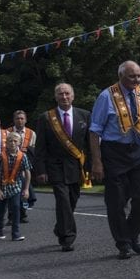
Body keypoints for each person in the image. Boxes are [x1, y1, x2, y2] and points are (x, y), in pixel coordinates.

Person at [90, 61, 140, 260]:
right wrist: (97, 161)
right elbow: (94, 131)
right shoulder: (106, 96)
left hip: (139, 150)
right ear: (121, 76)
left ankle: (132, 233)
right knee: (117, 201)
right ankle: (124, 242)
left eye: (138, 76)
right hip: (115, 152)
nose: (136, 80)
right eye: (131, 76)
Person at [35, 83, 91, 252]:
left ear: (73, 96)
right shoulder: (46, 118)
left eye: (67, 94)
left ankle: (61, 226)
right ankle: (67, 238)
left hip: (76, 165)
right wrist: (41, 170)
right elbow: (40, 147)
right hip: (55, 166)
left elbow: (89, 143)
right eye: (60, 94)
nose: (64, 97)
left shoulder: (84, 115)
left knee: (72, 199)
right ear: (56, 97)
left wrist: (92, 165)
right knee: (63, 199)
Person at [0, 132, 31, 241]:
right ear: (6, 143)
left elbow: (27, 172)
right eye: (10, 141)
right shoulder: (1, 156)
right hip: (3, 186)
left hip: (16, 187)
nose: (13, 143)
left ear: (19, 143)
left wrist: (26, 188)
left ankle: (16, 233)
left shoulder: (23, 156)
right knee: (1, 210)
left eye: (15, 141)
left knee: (15, 208)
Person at [9, 109, 37, 219]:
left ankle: (23, 212)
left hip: (25, 165)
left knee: (24, 189)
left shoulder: (31, 133)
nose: (19, 121)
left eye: (22, 118)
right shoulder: (8, 131)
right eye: (17, 118)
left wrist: (27, 150)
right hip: (10, 166)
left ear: (25, 120)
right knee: (12, 191)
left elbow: (35, 150)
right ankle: (12, 215)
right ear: (14, 120)